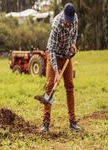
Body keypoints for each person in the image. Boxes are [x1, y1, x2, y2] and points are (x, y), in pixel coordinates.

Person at [40, 3, 81, 132]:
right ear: (63, 15)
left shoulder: (74, 19)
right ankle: (45, 124)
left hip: (66, 56)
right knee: (50, 85)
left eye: (70, 20)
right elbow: (51, 49)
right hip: (54, 55)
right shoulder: (56, 24)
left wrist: (73, 44)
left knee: (69, 85)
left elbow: (74, 33)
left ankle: (72, 122)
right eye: (67, 20)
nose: (69, 23)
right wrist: (56, 71)